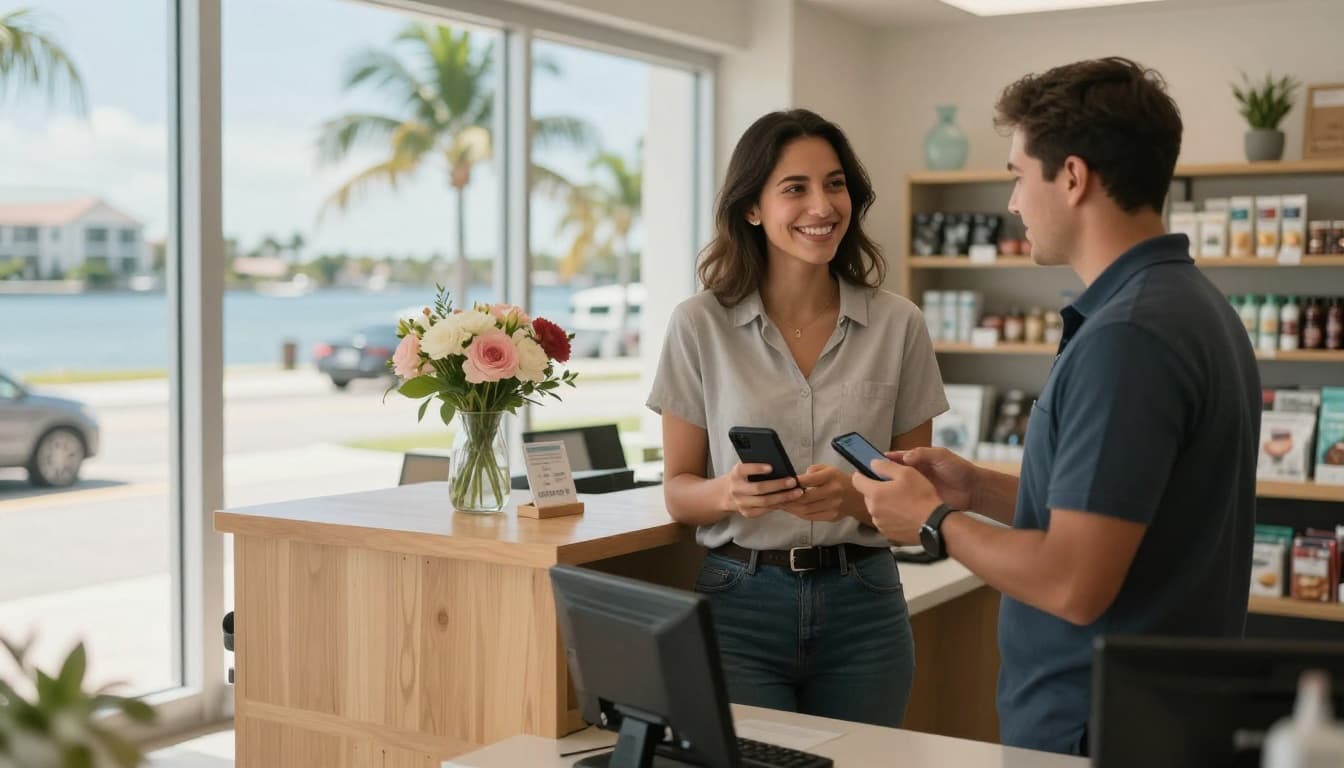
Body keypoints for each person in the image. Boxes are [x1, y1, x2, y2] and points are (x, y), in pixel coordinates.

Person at [851, 57, 1261, 755]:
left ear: (1072, 177)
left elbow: (1073, 583)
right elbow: (1119, 516)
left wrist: (931, 520)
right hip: (1152, 716)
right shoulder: (1190, 306)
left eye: (1016, 174)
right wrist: (975, 488)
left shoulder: (1129, 338)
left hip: (1098, 727)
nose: (1012, 201)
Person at [646, 108, 948, 727]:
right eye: (795, 188)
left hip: (865, 604)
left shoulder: (899, 324)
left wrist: (853, 501)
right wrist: (727, 492)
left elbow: (921, 501)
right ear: (752, 208)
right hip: (739, 605)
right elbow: (677, 492)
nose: (822, 204)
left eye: (835, 184)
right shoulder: (698, 325)